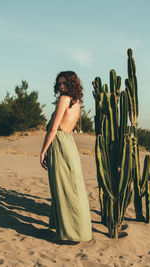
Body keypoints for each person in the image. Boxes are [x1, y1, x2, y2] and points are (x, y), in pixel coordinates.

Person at [40, 71, 93, 244]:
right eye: (59, 83)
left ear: (72, 84)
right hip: (69, 144)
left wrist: (43, 151)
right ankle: (69, 228)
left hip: (59, 144)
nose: (61, 86)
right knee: (71, 187)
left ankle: (70, 233)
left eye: (65, 83)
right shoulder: (77, 102)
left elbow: (54, 129)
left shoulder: (64, 100)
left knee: (63, 187)